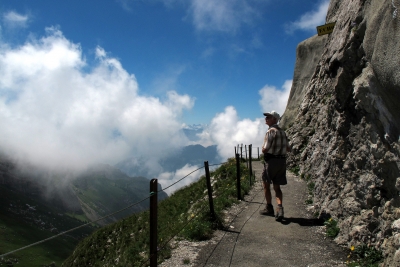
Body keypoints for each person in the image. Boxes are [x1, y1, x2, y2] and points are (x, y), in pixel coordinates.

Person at [259, 110, 291, 221]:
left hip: (271, 161)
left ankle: (269, 208)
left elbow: (265, 149)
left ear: (275, 119)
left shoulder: (270, 132)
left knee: (266, 185)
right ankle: (280, 208)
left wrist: (263, 149)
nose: (266, 118)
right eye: (266, 117)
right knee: (277, 187)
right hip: (282, 162)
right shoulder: (283, 132)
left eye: (269, 117)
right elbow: (288, 148)